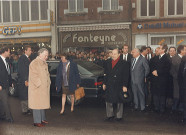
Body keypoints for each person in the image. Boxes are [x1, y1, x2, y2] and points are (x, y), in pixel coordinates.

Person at [103, 48, 129, 121]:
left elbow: (126, 75)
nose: (113, 55)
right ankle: (110, 115)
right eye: (112, 54)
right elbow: (106, 74)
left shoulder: (124, 63)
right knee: (108, 100)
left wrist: (125, 86)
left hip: (119, 84)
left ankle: (119, 116)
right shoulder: (108, 62)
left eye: (115, 54)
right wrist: (104, 83)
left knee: (119, 101)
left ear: (119, 54)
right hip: (109, 84)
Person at [28, 48, 51, 127]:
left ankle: (42, 119)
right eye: (45, 55)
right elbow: (33, 76)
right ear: (40, 54)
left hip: (43, 88)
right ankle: (37, 122)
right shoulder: (34, 63)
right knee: (37, 105)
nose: (46, 57)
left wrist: (48, 82)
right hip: (37, 89)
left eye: (47, 55)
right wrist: (40, 84)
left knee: (42, 104)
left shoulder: (44, 63)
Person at [152, 44, 171, 113]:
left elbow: (167, 69)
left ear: (163, 50)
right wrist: (153, 71)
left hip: (163, 80)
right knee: (156, 94)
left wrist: (158, 72)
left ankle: (162, 108)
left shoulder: (167, 58)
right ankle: (156, 107)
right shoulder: (156, 57)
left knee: (162, 94)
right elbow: (152, 65)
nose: (158, 49)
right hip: (155, 80)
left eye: (160, 48)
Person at [0, 47, 13, 122]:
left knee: (2, 101)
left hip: (6, 84)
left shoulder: (7, 60)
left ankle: (2, 115)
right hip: (1, 85)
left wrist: (10, 82)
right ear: (4, 52)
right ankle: (9, 117)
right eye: (9, 51)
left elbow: (8, 73)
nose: (9, 53)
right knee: (5, 101)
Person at [17, 45, 32, 115]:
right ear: (25, 51)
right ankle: (25, 110)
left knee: (27, 94)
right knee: (24, 95)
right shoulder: (22, 58)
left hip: (28, 79)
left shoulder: (28, 58)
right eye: (29, 50)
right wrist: (25, 80)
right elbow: (22, 70)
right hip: (24, 80)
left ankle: (28, 109)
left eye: (31, 50)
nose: (31, 51)